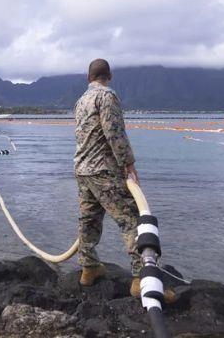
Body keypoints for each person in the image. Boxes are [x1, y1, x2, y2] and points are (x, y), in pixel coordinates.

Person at [74, 58, 173, 301]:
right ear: (109, 76)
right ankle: (142, 279)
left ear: (89, 78)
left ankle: (89, 269)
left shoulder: (80, 101)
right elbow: (114, 133)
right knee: (131, 219)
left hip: (83, 170)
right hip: (104, 171)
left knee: (89, 220)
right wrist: (129, 165)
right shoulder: (106, 97)